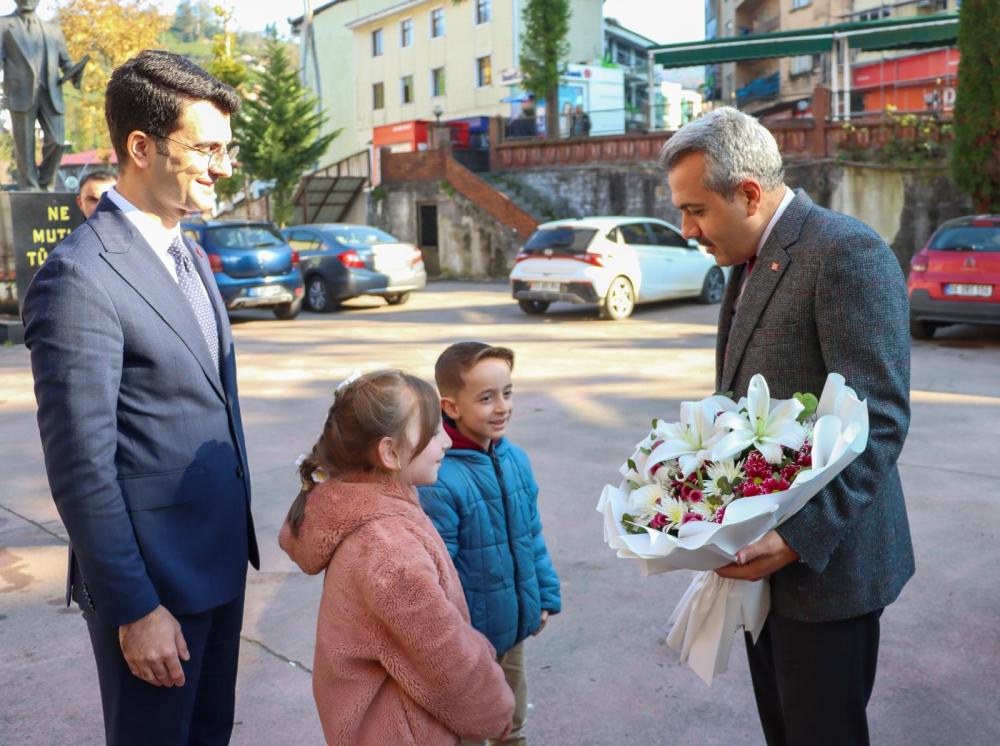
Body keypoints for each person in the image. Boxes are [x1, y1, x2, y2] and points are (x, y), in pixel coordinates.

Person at [21, 50, 257, 745]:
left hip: (216, 562)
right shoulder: (79, 277)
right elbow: (81, 467)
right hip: (153, 589)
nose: (223, 166)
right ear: (141, 147)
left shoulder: (190, 253)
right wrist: (134, 607)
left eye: (226, 147)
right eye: (207, 149)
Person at [659, 107, 913, 746]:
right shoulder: (750, 255)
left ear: (748, 193)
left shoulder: (845, 252)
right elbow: (745, 401)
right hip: (762, 561)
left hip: (829, 570)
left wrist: (798, 536)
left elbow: (878, 421)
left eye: (695, 210)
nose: (686, 228)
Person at [279, 370, 514, 746]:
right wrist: (495, 710)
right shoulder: (389, 550)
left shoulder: (372, 512)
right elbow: (443, 655)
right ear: (390, 452)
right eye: (435, 431)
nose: (446, 442)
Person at [419, 342, 562, 746]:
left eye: (507, 393)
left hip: (513, 625)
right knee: (470, 727)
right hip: (468, 643)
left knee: (511, 721)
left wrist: (544, 596)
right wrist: (450, 638)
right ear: (451, 407)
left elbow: (531, 534)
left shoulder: (515, 459)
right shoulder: (440, 478)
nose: (501, 407)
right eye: (486, 398)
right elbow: (438, 570)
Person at [0, 0, 82, 190]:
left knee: (58, 141)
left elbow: (66, 62)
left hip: (51, 92)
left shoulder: (53, 30)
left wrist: (74, 72)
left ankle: (46, 185)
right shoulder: (3, 25)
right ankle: (29, 187)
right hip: (19, 93)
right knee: (25, 145)